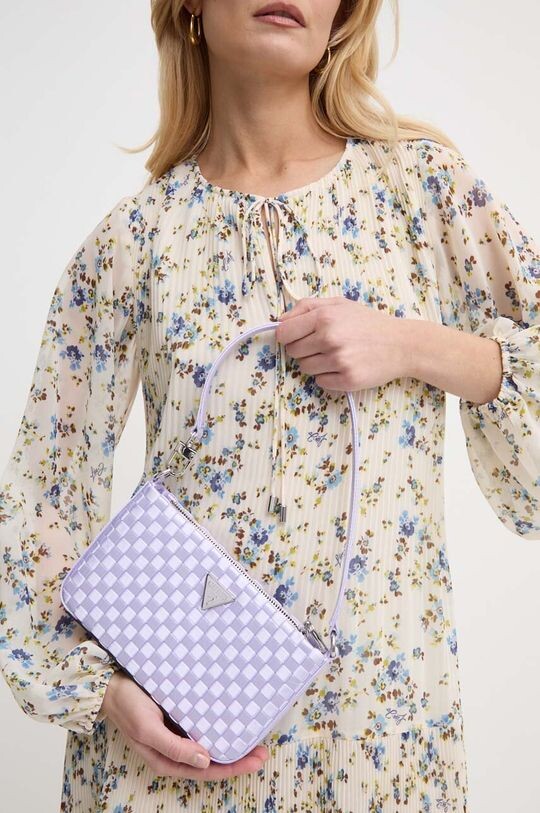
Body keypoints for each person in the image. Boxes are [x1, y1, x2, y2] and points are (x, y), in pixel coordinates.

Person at [1, 1, 538, 810]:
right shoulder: (131, 244)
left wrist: (411, 345)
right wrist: (105, 693)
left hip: (382, 751)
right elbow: (41, 500)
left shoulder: (422, 191)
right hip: (175, 752)